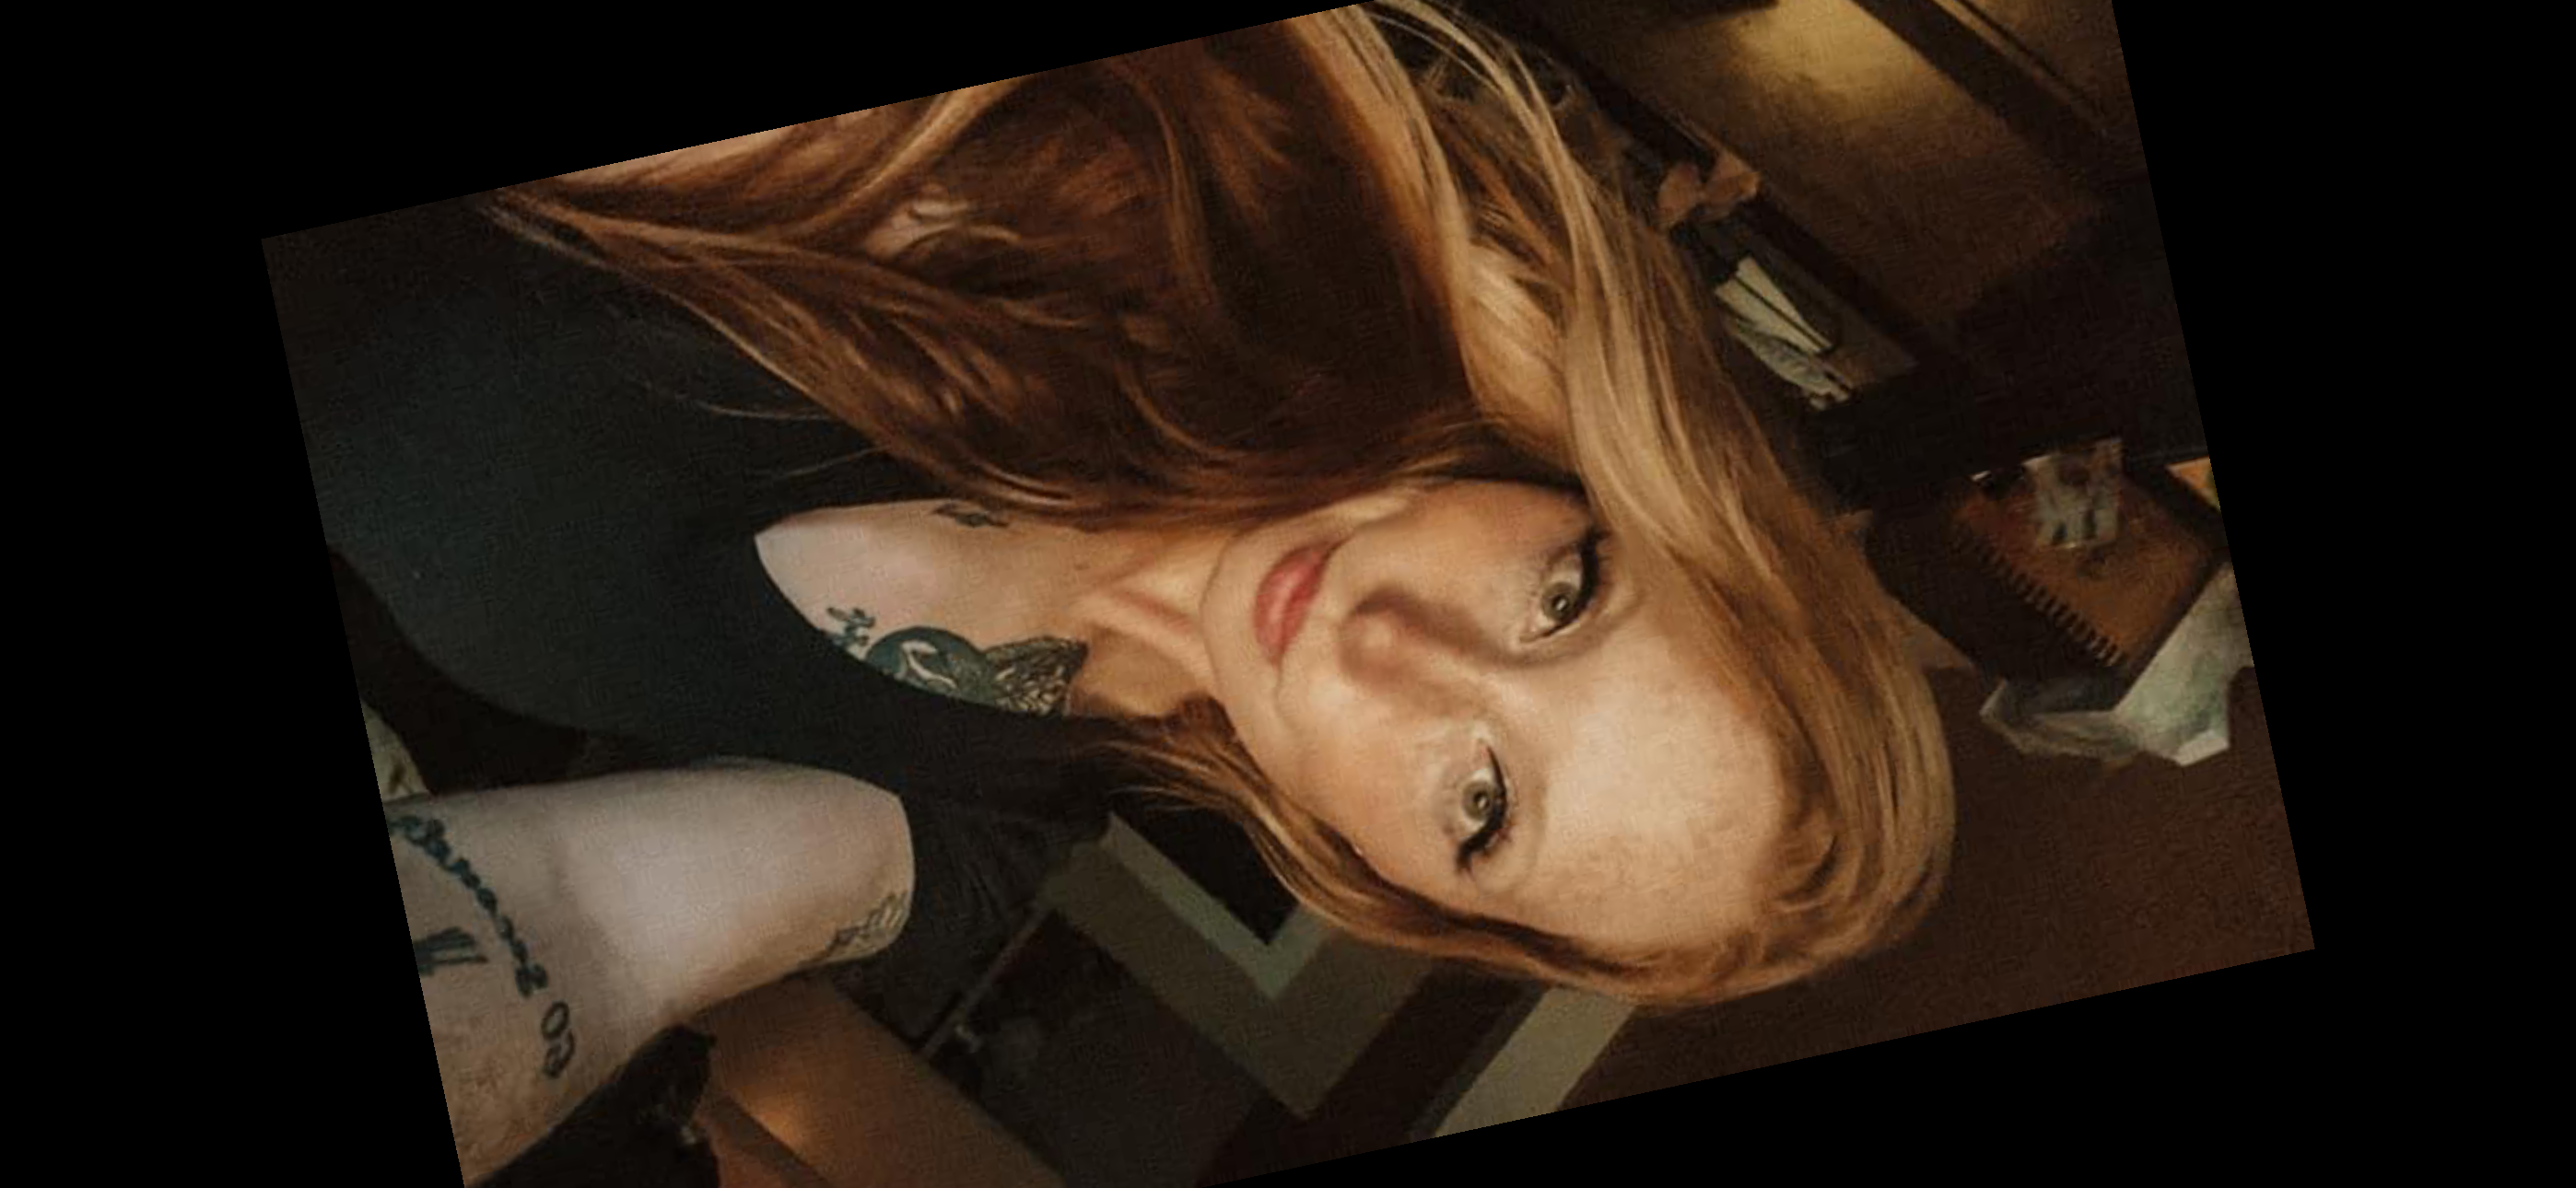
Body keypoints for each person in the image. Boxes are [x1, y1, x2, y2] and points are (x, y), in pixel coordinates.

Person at [282, 4, 1954, 1181]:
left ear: (1409, 890)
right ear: (1589, 478)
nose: (1391, 647)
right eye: (1566, 597)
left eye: (1484, 799)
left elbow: (587, 927)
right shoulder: (1190, 171)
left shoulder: (976, 830)